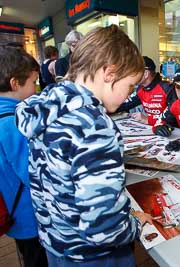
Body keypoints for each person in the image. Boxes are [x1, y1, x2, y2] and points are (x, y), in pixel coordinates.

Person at [15, 25, 152, 266]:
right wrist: (135, 223)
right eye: (130, 86)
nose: (128, 96)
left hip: (56, 243)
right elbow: (103, 228)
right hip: (94, 256)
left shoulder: (47, 105)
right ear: (109, 73)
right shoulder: (94, 126)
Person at [0, 46, 48, 267]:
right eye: (33, 82)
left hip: (14, 211)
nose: (36, 88)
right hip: (30, 217)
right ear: (14, 83)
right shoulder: (14, 123)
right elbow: (34, 174)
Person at [116, 56, 173, 125]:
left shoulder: (167, 88)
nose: (131, 75)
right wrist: (105, 108)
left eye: (134, 72)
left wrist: (148, 119)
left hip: (172, 132)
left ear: (146, 74)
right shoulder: (140, 89)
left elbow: (173, 116)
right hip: (153, 130)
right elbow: (125, 105)